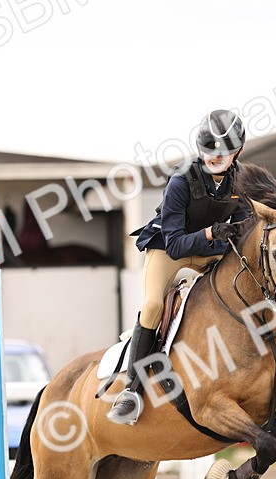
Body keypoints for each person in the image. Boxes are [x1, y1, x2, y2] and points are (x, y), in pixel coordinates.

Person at [108, 110, 252, 424]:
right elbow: (174, 243)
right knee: (153, 305)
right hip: (169, 249)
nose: (215, 157)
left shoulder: (242, 180)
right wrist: (212, 233)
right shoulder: (181, 181)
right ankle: (130, 392)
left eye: (223, 152)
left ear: (237, 153)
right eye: (209, 151)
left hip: (208, 249)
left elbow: (244, 225)